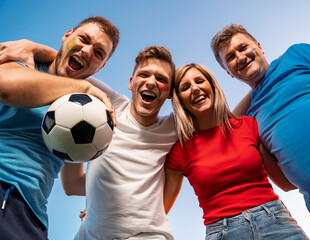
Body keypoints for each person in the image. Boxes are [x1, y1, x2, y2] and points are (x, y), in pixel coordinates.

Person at [211, 24, 310, 239]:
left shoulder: (298, 55)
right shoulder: (248, 119)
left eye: (243, 47)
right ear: (229, 72)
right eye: (231, 58)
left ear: (259, 46)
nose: (241, 57)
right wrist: (253, 95)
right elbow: (285, 183)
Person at [0, 16, 119, 239]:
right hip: (4, 183)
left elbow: (72, 183)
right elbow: (5, 88)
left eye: (98, 52)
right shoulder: (23, 63)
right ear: (67, 36)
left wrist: (123, 193)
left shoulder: (86, 112)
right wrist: (83, 86)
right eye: (83, 39)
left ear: (101, 66)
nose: (86, 51)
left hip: (32, 216)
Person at [164, 63, 308, 240]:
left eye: (200, 81)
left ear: (212, 86)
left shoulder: (248, 126)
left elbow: (286, 184)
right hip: (222, 232)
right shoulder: (179, 151)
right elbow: (161, 210)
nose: (195, 88)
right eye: (185, 87)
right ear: (180, 101)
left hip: (275, 220)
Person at [60, 46, 178, 239]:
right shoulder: (107, 106)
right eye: (144, 74)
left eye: (162, 79)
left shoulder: (173, 127)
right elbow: (69, 71)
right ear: (131, 82)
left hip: (146, 235)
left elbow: (223, 117)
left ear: (171, 92)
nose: (151, 82)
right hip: (90, 234)